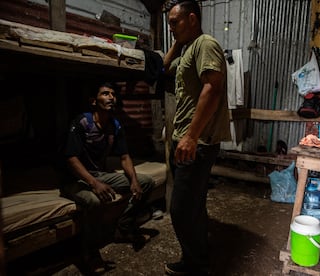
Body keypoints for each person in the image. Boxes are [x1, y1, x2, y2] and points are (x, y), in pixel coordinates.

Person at [163, 1, 231, 275]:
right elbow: (164, 69)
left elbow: (213, 88)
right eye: (168, 24)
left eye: (174, 23)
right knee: (194, 205)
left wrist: (191, 136)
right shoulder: (188, 49)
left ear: (192, 19)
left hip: (196, 144)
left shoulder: (206, 44)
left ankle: (195, 265)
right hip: (184, 141)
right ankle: (200, 255)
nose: (170, 29)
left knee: (180, 211)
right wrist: (178, 41)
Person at [61, 81, 154, 274]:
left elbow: (125, 156)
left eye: (113, 94)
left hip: (99, 175)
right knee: (95, 201)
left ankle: (123, 227)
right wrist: (94, 183)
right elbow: (71, 159)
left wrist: (134, 181)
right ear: (93, 101)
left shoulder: (115, 125)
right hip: (75, 179)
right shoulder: (82, 122)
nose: (111, 97)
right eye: (105, 94)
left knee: (146, 182)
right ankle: (90, 252)